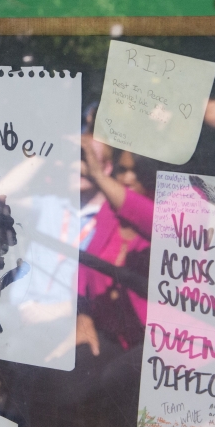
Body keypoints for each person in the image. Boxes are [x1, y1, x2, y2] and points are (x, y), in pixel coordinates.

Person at [77, 146, 157, 354]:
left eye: (137, 172)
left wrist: (97, 175)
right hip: (109, 335)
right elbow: (85, 272)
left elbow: (146, 216)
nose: (128, 179)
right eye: (122, 170)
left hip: (151, 341)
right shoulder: (108, 212)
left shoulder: (164, 218)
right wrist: (83, 319)